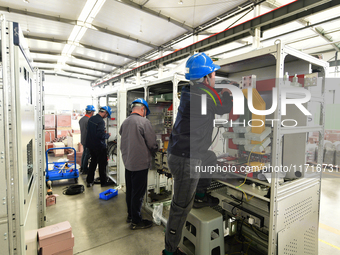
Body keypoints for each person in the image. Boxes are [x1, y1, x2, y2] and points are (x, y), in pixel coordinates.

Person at [162, 53, 233, 255]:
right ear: (205, 77)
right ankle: (169, 251)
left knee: (209, 158)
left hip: (181, 153)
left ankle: (200, 195)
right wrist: (228, 93)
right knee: (180, 207)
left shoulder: (188, 92)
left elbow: (209, 100)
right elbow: (223, 106)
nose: (214, 77)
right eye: (213, 74)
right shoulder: (206, 95)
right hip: (186, 160)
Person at [119, 98, 158, 230]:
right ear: (143, 109)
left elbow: (123, 135)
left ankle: (130, 215)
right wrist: (156, 150)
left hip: (128, 162)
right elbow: (152, 143)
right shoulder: (144, 122)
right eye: (145, 111)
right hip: (140, 164)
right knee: (138, 193)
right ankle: (136, 221)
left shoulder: (125, 122)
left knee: (130, 191)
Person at [85, 106, 112, 187]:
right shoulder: (101, 121)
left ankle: (89, 181)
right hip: (99, 146)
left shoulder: (91, 119)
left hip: (91, 145)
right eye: (107, 115)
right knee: (102, 164)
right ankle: (103, 182)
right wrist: (107, 135)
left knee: (93, 163)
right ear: (105, 112)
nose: (106, 117)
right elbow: (100, 135)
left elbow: (91, 131)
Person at [79, 105, 95, 175]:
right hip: (88, 140)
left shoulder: (81, 119)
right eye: (93, 112)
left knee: (84, 154)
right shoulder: (89, 120)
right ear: (91, 112)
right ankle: (85, 169)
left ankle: (82, 167)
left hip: (83, 139)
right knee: (87, 155)